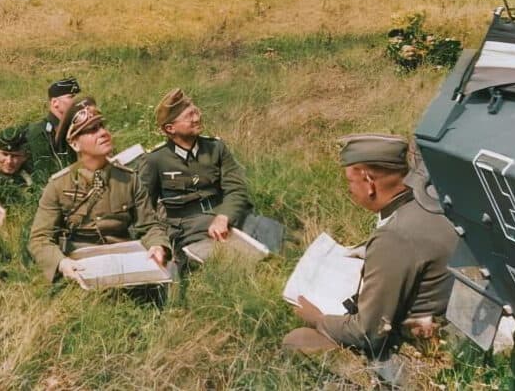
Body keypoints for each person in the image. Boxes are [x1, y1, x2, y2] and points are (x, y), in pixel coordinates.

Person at [283, 133, 458, 361]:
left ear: (368, 181)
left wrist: (318, 319)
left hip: (425, 342)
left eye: (350, 181)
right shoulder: (428, 202)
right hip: (452, 323)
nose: (349, 189)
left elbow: (368, 333)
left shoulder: (394, 237)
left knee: (296, 340)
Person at [28, 96, 170, 286]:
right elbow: (39, 239)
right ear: (75, 143)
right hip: (80, 264)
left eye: (101, 126)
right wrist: (61, 263)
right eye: (92, 130)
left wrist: (157, 246)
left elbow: (150, 226)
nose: (103, 133)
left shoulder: (129, 179)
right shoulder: (58, 185)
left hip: (125, 261)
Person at [137, 88, 252, 255]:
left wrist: (224, 216)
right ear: (170, 128)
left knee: (271, 233)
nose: (197, 118)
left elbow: (236, 189)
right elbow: (144, 210)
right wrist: (158, 242)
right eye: (189, 116)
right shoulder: (154, 160)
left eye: (196, 112)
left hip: (226, 216)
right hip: (187, 229)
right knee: (216, 256)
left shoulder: (216, 148)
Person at [25, 77, 81, 184]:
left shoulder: (76, 127)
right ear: (55, 102)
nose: (78, 101)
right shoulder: (40, 131)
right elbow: (44, 173)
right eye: (71, 97)